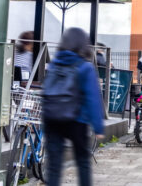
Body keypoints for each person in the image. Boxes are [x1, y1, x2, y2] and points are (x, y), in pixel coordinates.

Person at [42, 27, 104, 186]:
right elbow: (93, 98)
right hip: (76, 120)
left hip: (52, 118)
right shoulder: (85, 67)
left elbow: (46, 90)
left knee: (54, 166)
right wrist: (98, 127)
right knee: (82, 161)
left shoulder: (54, 64)